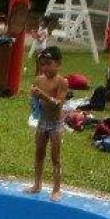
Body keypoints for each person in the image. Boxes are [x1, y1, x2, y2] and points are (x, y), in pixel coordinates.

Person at [25, 46, 68, 201]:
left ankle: (56, 189)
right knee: (39, 154)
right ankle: (37, 184)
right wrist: (34, 98)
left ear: (58, 64)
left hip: (55, 124)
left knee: (55, 157)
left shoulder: (62, 82)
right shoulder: (39, 80)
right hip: (43, 122)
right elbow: (35, 102)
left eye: (49, 64)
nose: (45, 68)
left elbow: (58, 103)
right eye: (42, 64)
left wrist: (42, 96)